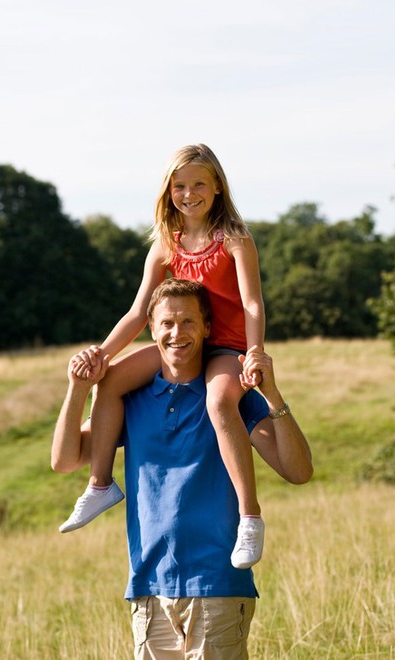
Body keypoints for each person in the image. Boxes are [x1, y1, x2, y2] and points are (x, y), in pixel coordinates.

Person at [51, 279, 313, 659]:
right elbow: (65, 460)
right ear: (152, 329)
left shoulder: (230, 398)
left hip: (218, 587)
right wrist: (77, 388)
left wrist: (271, 395)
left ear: (207, 328)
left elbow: (298, 470)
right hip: (148, 587)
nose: (178, 333)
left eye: (189, 322)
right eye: (167, 324)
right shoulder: (131, 399)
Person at [60, 144, 269, 569]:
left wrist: (253, 352)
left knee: (217, 400)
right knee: (111, 379)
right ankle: (100, 484)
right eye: (179, 185)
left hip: (224, 346)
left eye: (198, 184)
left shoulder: (234, 239)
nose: (188, 193)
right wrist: (101, 353)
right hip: (179, 342)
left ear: (216, 187)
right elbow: (139, 312)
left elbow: (252, 304)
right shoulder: (165, 245)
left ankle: (250, 518)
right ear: (168, 190)